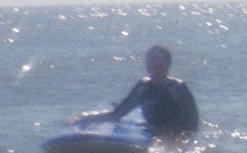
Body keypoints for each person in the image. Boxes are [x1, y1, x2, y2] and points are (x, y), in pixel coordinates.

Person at [69, 44, 199, 137]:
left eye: (161, 61)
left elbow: (193, 124)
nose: (156, 65)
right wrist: (82, 118)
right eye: (152, 60)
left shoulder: (178, 87)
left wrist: (167, 134)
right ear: (147, 64)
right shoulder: (143, 86)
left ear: (168, 64)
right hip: (151, 134)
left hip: (172, 139)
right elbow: (117, 114)